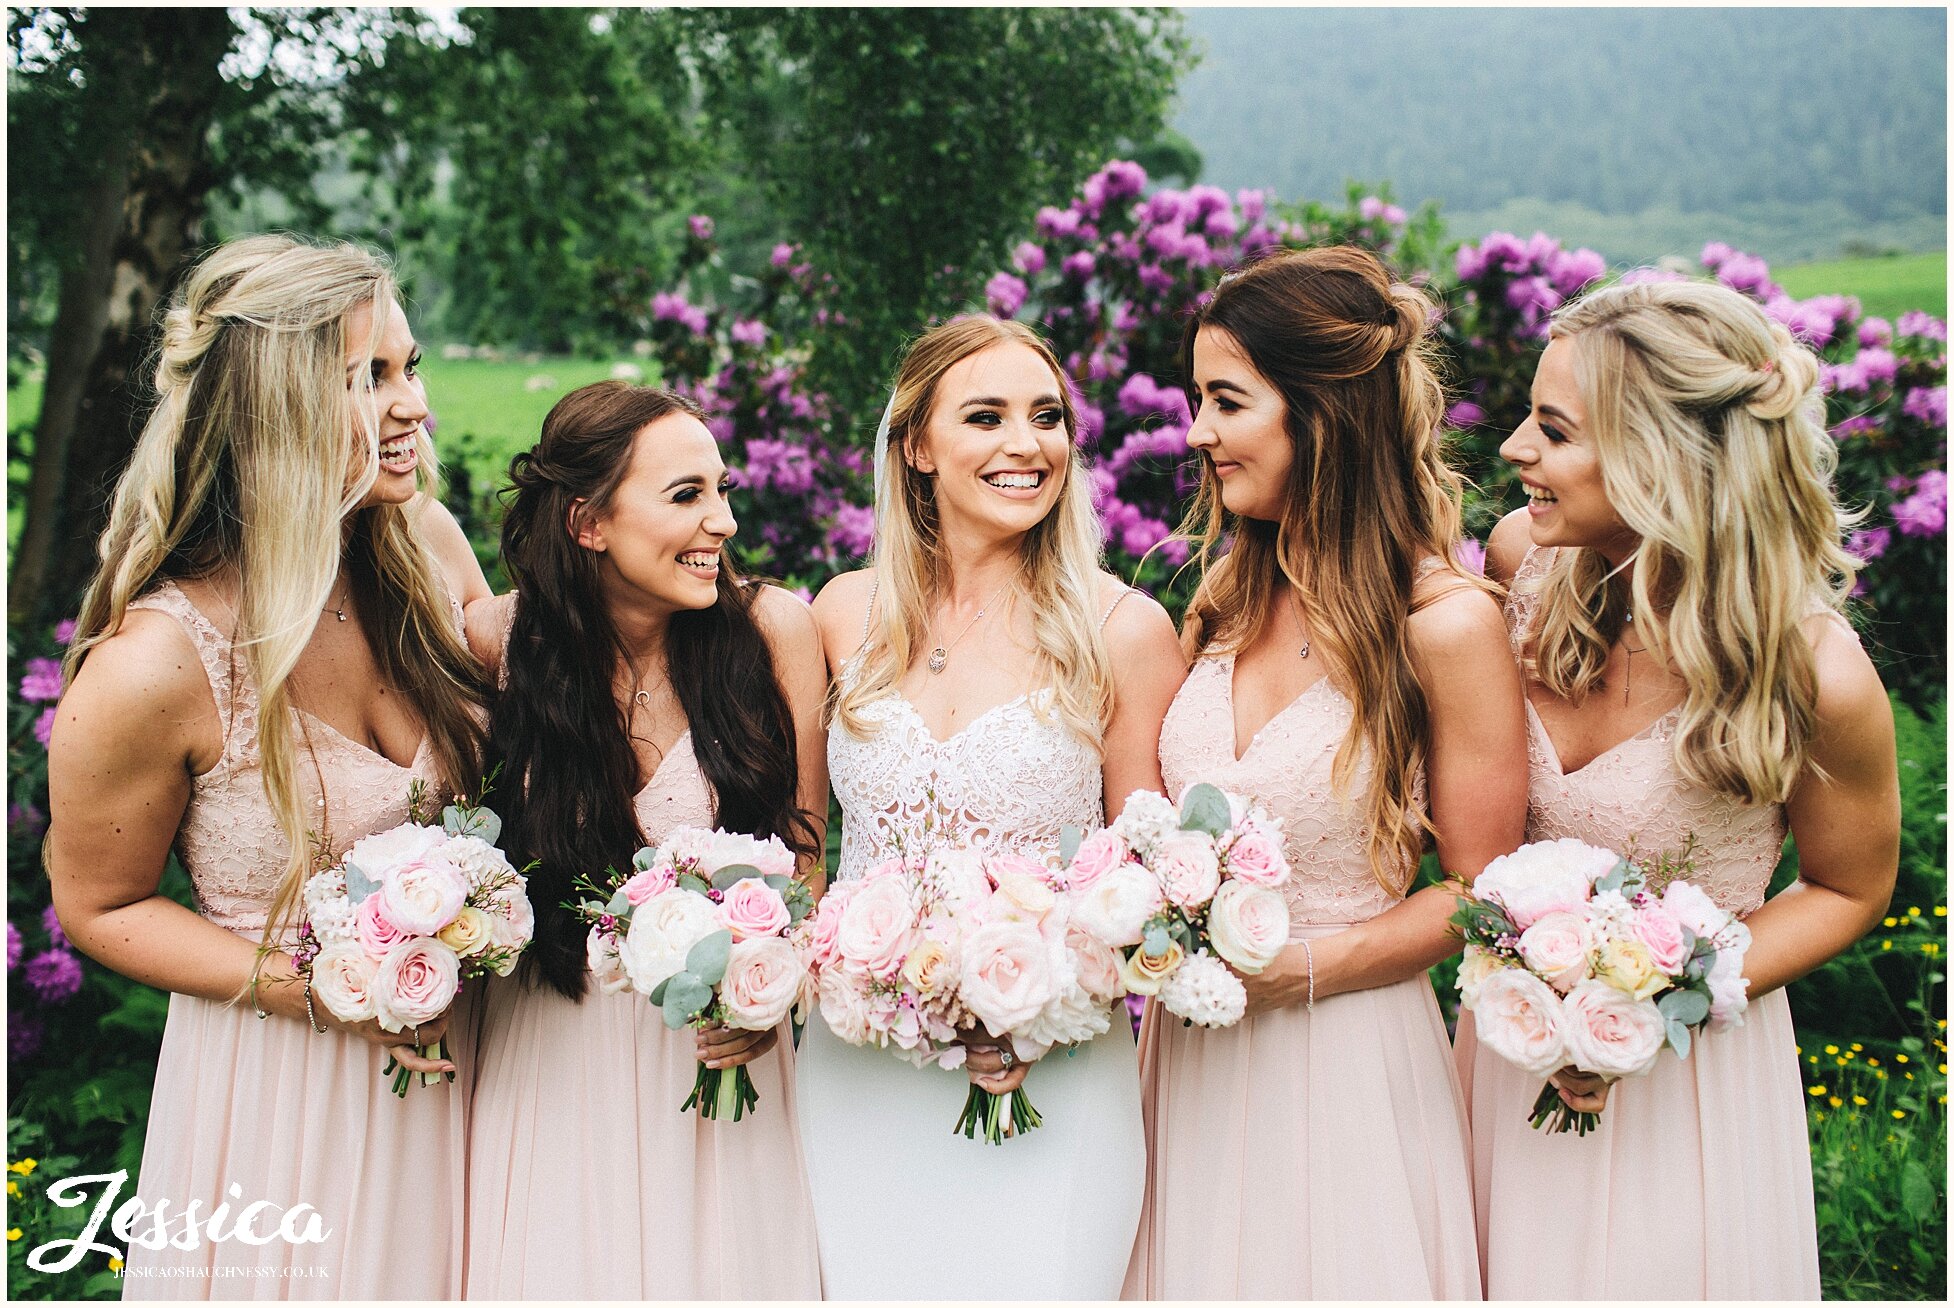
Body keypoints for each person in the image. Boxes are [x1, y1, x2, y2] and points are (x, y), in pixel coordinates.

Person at [45, 234, 491, 1298]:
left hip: (476, 1075)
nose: (413, 405)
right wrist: (311, 993)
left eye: (411, 366)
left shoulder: (424, 549)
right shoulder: (160, 660)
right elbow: (99, 906)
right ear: (277, 404)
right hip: (284, 1097)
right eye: (369, 377)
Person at [1458, 277, 1899, 1298]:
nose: (1516, 450)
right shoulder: (1523, 565)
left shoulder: (1811, 674)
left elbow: (1848, 888)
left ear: (1661, 455)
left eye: (1552, 429)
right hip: (1507, 1051)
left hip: (1682, 1081)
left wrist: (1660, 1000)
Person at [1125, 246, 1526, 1299]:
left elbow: (1485, 895)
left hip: (1345, 1062)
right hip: (1190, 1061)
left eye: (1224, 400)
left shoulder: (1442, 624)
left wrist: (1296, 974)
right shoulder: (1221, 595)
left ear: (1322, 413)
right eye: (1194, 399)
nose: (1196, 431)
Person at [796, 315, 1186, 1299]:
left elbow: (1149, 881)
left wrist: (1037, 996)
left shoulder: (1121, 628)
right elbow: (803, 849)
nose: (1028, 444)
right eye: (986, 417)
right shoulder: (841, 613)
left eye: (1046, 417)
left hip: (1048, 1068)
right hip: (858, 1068)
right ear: (917, 449)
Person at [459, 382, 826, 1299]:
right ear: (588, 522)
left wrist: (762, 993)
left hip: (720, 1064)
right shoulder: (496, 645)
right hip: (553, 1058)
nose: (725, 522)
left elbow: (805, 858)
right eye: (687, 496)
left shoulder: (771, 632)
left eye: (725, 490)